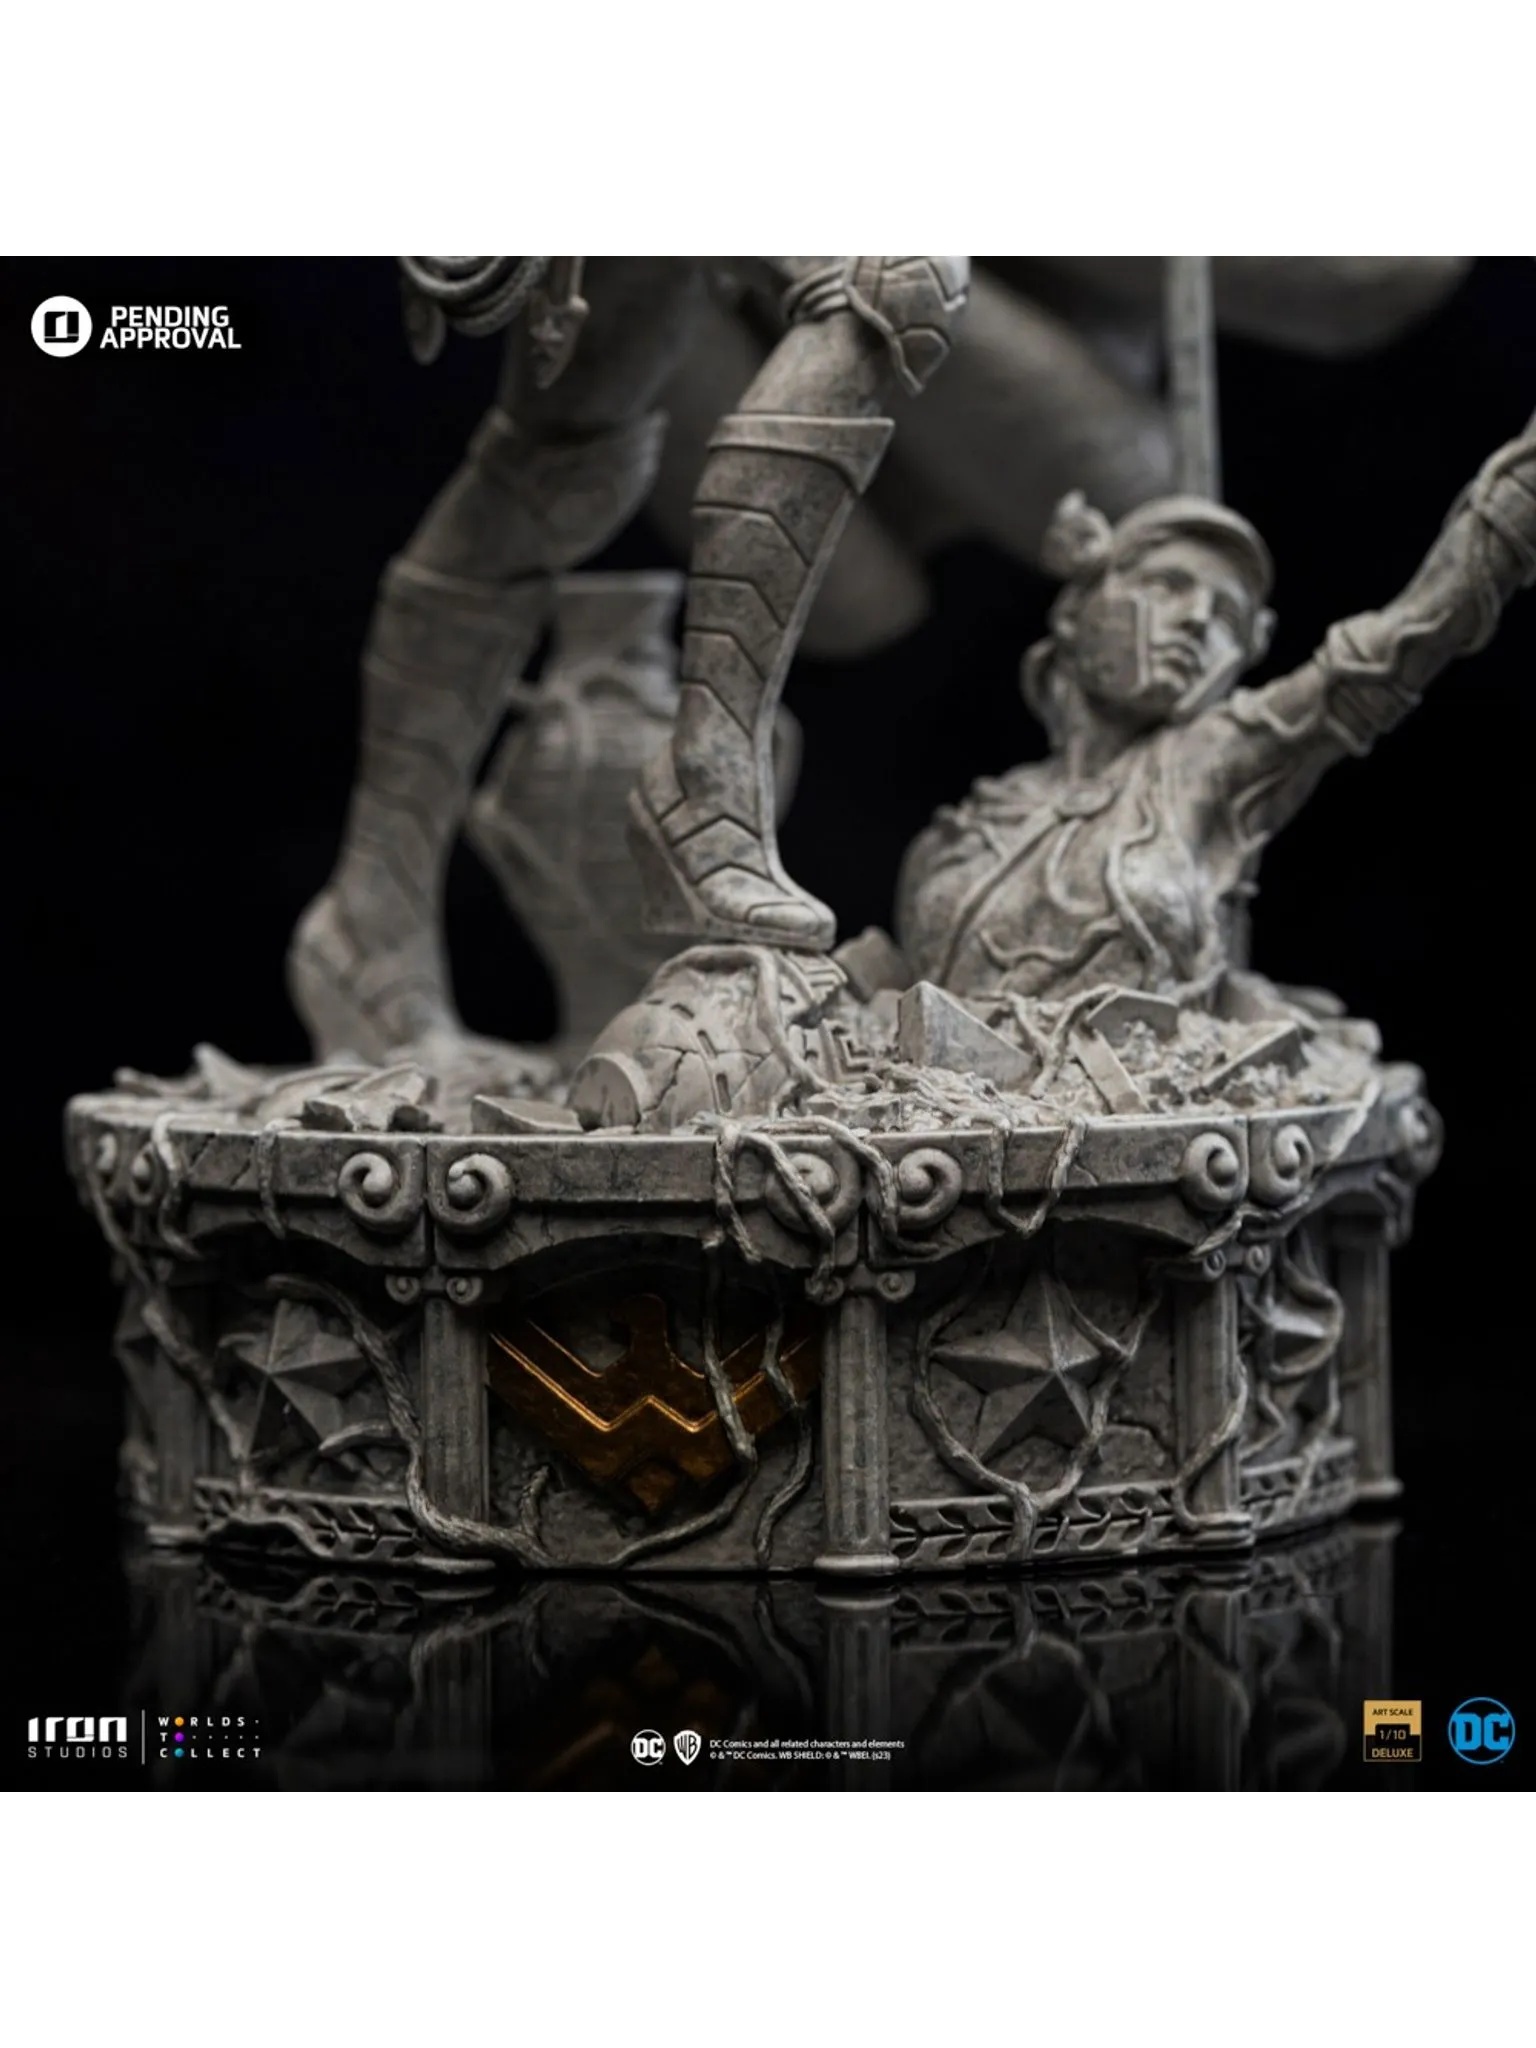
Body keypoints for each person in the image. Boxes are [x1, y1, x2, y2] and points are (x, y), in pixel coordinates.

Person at [896, 415, 1536, 1012]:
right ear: (1074, 609)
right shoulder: (968, 825)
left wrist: (1520, 494)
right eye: (1167, 585)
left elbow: (1411, 635)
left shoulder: (1203, 764)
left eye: (1228, 616)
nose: (1198, 620)